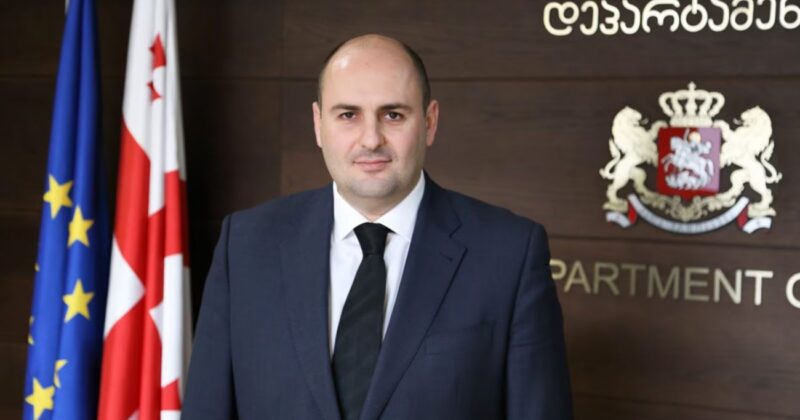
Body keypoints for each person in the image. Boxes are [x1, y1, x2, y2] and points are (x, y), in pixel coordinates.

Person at [183, 34, 573, 419]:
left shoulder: (510, 254)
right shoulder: (246, 246)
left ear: (430, 122)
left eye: (393, 115)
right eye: (348, 115)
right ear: (318, 124)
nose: (371, 139)